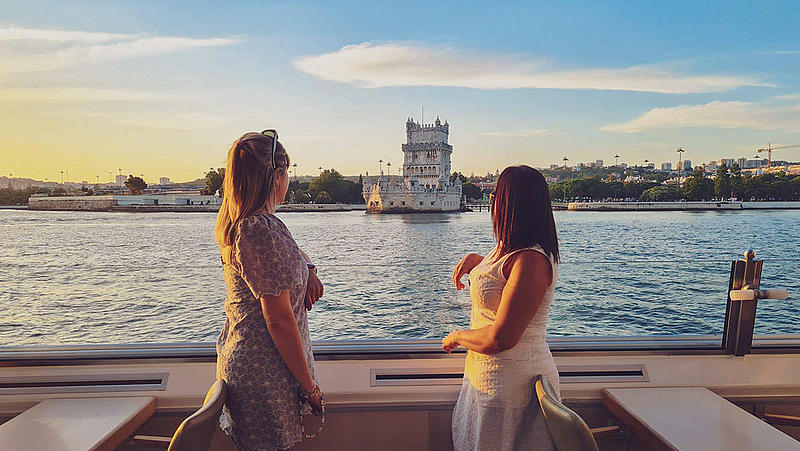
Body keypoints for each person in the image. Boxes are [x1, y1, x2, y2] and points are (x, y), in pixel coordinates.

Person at [215, 130, 325, 451]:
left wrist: (309, 269)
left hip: (261, 367)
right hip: (264, 373)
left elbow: (287, 256)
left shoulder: (254, 224)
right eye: (287, 172)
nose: (288, 179)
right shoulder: (258, 229)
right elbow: (278, 320)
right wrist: (309, 389)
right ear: (276, 176)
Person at [443, 165, 561, 451]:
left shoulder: (531, 260)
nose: (492, 199)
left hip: (513, 386)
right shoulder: (510, 251)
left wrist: (458, 337)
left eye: (497, 193)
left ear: (510, 202)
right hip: (489, 378)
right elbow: (505, 285)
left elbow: (501, 337)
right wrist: (480, 263)